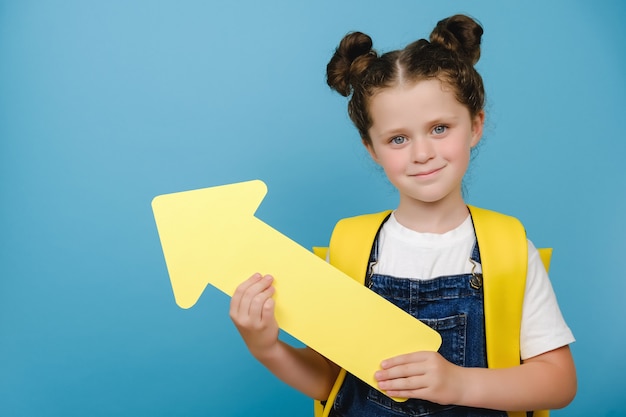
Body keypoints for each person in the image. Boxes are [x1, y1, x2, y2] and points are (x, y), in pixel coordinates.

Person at [229, 14, 576, 416]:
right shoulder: (350, 248)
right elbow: (330, 381)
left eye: (440, 128)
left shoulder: (509, 249)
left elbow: (559, 381)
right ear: (371, 148)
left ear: (476, 125)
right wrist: (266, 347)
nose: (422, 153)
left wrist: (458, 383)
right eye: (398, 138)